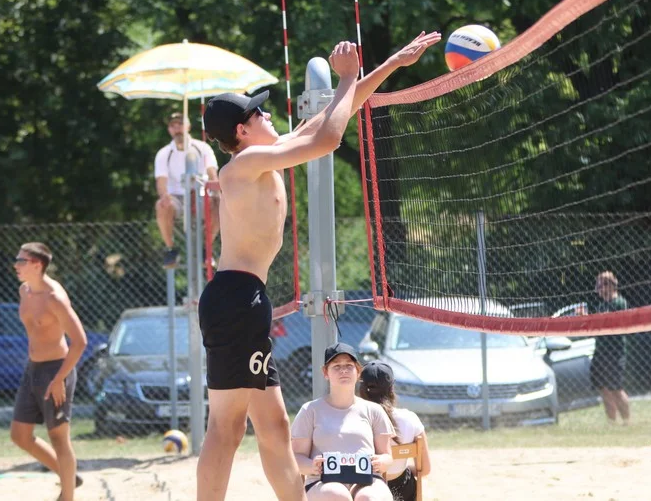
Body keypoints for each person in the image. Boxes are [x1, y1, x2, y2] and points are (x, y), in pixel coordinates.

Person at [196, 31, 440, 501]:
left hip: (245, 300)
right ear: (242, 131)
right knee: (225, 428)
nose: (268, 114)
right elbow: (329, 137)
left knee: (274, 424)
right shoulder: (244, 166)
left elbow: (330, 117)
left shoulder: (262, 158)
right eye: (258, 111)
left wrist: (389, 65)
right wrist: (346, 76)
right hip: (234, 300)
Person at [9, 242, 89, 501]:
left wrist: (59, 380)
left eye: (21, 261)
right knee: (19, 435)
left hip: (56, 370)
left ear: (37, 265)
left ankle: (67, 496)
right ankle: (68, 477)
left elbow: (80, 342)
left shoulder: (54, 297)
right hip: (32, 368)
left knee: (59, 438)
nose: (16, 265)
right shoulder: (25, 291)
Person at [292, 344, 394, 501]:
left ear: (358, 371)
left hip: (367, 480)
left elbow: (387, 456)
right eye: (336, 366)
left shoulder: (373, 410)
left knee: (369, 497)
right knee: (337, 495)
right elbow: (297, 457)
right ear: (325, 372)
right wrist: (313, 465)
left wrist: (380, 462)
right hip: (322, 482)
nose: (343, 370)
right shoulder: (310, 410)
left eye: (349, 366)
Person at [357, 361, 430, 501]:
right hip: (403, 491)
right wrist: (402, 468)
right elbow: (425, 469)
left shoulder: (355, 420)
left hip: (367, 489)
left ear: (361, 389)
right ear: (391, 388)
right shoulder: (410, 418)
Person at [155, 112, 220, 269]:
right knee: (162, 205)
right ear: (169, 129)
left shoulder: (202, 148)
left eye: (180, 124)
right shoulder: (164, 153)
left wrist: (217, 193)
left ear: (188, 126)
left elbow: (212, 174)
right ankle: (171, 249)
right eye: (172, 126)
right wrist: (164, 196)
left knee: (219, 203)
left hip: (201, 194)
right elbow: (161, 181)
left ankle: (206, 248)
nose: (177, 128)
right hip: (177, 197)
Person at [589, 270, 631, 424]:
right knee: (603, 389)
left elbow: (621, 325)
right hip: (600, 352)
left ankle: (627, 422)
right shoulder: (601, 305)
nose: (598, 289)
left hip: (615, 352)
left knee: (616, 389)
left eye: (601, 285)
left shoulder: (619, 303)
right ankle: (612, 422)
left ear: (610, 285)